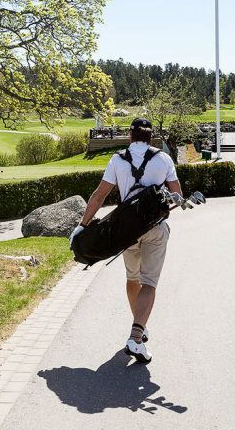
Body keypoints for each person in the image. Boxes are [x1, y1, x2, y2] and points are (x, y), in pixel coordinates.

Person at [71, 118, 182, 364]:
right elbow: (178, 196)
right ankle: (137, 334)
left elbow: (99, 196)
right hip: (155, 229)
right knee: (149, 282)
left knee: (133, 279)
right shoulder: (163, 159)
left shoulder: (117, 160)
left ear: (130, 136)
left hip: (126, 232)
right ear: (150, 137)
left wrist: (82, 226)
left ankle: (138, 327)